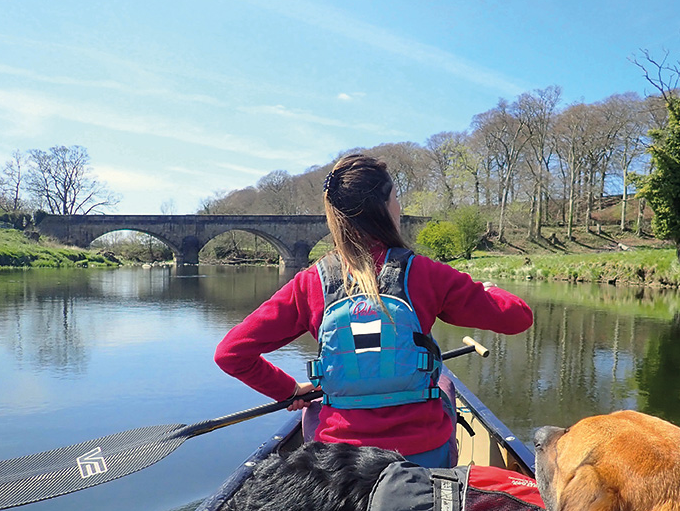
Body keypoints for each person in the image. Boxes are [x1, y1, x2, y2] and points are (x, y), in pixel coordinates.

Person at [214, 154, 533, 467]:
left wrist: (289, 389)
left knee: (311, 410)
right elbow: (518, 318)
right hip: (423, 456)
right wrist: (492, 291)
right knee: (445, 384)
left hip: (340, 464)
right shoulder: (427, 274)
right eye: (396, 197)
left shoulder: (309, 283)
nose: (400, 207)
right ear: (384, 207)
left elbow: (231, 353)